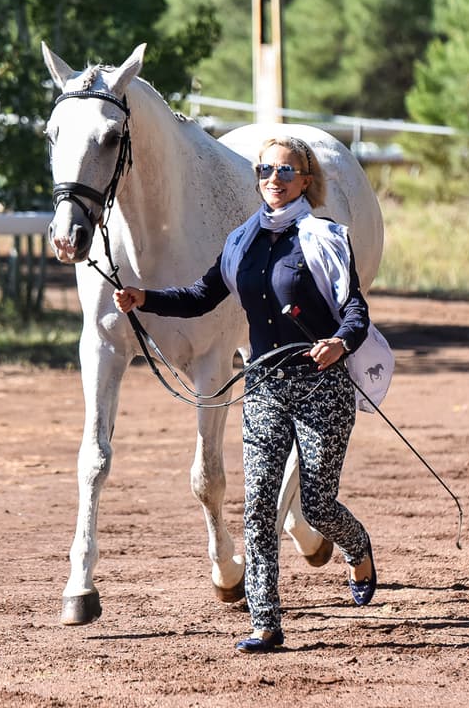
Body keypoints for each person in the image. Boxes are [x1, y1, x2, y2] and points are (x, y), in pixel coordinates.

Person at [113, 136, 377, 654]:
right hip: (263, 386)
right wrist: (145, 299)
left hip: (322, 385)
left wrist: (341, 344)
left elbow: (356, 311)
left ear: (307, 180)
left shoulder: (325, 237)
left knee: (319, 506)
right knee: (256, 506)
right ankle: (265, 622)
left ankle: (358, 546)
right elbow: (201, 295)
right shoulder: (241, 240)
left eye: (286, 171)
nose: (273, 179)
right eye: (265, 170)